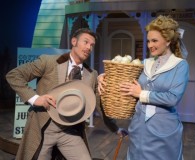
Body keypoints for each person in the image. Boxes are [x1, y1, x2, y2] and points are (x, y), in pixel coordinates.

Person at [6, 28, 126, 160]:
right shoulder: (49, 62)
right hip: (44, 129)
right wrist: (35, 99)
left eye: (92, 45)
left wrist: (116, 128)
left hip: (70, 132)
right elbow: (14, 75)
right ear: (74, 41)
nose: (89, 47)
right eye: (85, 42)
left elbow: (99, 105)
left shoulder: (92, 75)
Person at [98, 15, 189, 160]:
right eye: (148, 41)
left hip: (163, 129)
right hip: (139, 127)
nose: (149, 45)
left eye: (154, 41)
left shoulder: (180, 65)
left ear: (168, 41)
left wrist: (141, 94)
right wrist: (103, 77)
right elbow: (124, 75)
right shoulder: (145, 62)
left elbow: (173, 98)